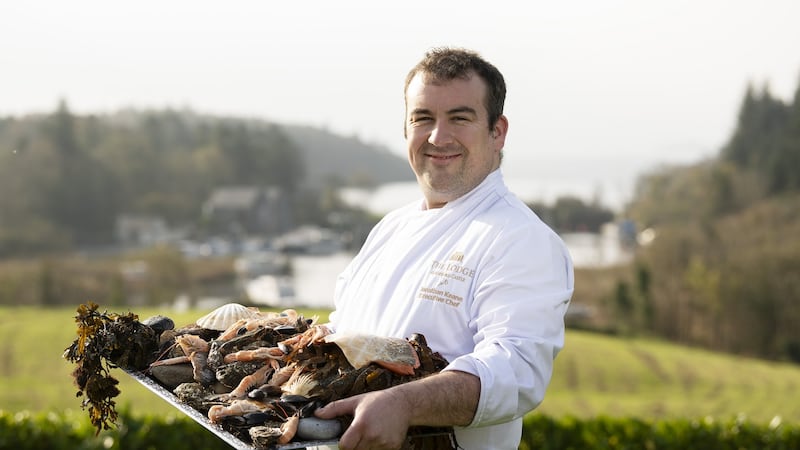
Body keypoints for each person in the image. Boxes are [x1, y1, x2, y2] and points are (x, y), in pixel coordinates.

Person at [313, 47, 575, 450]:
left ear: (497, 131)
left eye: (459, 118)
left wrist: (405, 404)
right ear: (406, 130)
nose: (438, 137)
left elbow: (516, 372)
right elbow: (343, 334)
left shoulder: (521, 239)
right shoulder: (390, 228)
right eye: (423, 118)